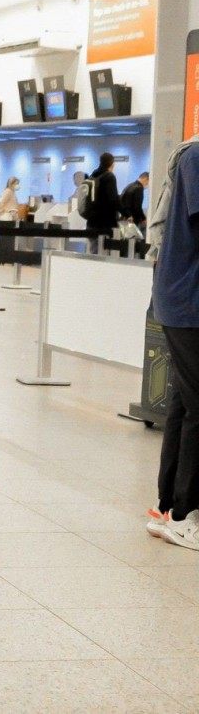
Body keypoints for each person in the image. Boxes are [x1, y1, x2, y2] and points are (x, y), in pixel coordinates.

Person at [149, 142, 199, 550]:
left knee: (184, 402)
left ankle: (168, 506)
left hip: (180, 299)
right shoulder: (197, 157)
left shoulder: (189, 156)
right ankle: (187, 515)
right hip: (189, 302)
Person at [86, 152, 122, 231]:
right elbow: (113, 199)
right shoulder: (109, 176)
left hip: (91, 222)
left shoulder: (92, 176)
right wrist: (126, 213)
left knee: (93, 243)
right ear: (112, 164)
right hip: (105, 224)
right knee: (105, 243)